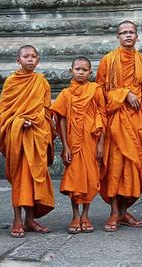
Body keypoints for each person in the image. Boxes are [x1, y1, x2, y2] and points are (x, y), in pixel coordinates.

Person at [95, 20, 142, 232]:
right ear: (117, 37)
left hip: (137, 120)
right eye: (123, 33)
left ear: (137, 36)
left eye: (131, 32)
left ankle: (124, 211)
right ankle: (114, 212)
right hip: (115, 121)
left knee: (134, 167)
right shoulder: (107, 61)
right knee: (114, 167)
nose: (128, 36)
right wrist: (124, 94)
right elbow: (100, 93)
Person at [0, 45, 55, 238]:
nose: (29, 59)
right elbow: (3, 111)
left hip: (37, 136)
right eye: (25, 56)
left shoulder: (42, 82)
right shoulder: (11, 82)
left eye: (33, 57)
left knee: (34, 179)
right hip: (18, 138)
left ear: (38, 60)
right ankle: (17, 219)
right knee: (20, 180)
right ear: (18, 60)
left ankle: (30, 219)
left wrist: (40, 124)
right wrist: (19, 122)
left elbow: (47, 111)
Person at [51, 57, 106, 234]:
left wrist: (101, 144)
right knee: (74, 180)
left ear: (90, 73)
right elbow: (61, 120)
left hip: (91, 140)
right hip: (73, 142)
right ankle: (75, 215)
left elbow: (102, 117)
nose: (81, 72)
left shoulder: (95, 90)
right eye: (77, 69)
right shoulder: (66, 94)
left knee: (89, 178)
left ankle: (86, 215)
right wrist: (65, 146)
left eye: (84, 70)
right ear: (71, 71)